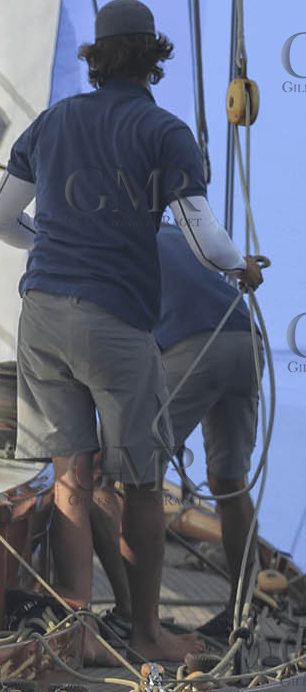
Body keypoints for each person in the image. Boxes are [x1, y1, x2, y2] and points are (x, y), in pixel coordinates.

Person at [0, 0, 262, 662]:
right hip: (116, 323)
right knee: (140, 478)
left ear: (96, 60)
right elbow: (198, 229)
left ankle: (75, 631)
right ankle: (145, 633)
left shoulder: (51, 123)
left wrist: (56, 245)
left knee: (72, 477)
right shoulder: (165, 133)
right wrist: (240, 266)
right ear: (154, 61)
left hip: (42, 311)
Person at [92, 222, 262, 644]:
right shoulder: (173, 230)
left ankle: (130, 615)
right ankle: (240, 614)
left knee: (114, 474)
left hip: (192, 346)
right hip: (246, 340)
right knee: (230, 481)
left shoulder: (102, 238)